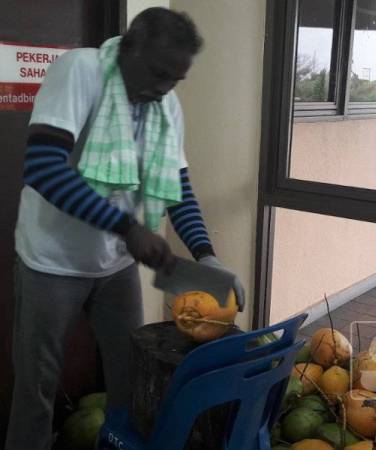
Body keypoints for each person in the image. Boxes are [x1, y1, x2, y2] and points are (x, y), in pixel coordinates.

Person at [5, 8, 244, 450]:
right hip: (50, 260)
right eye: (158, 73)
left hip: (115, 266)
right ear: (129, 48)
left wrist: (206, 254)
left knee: (132, 382)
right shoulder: (81, 71)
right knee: (36, 388)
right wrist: (127, 227)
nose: (163, 89)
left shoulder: (166, 105)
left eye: (176, 80)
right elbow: (42, 167)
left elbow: (179, 189)